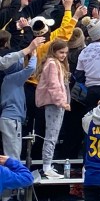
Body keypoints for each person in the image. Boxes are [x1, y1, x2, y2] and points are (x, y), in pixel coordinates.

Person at [35, 39, 72, 178]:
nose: (63, 55)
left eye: (65, 53)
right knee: (51, 135)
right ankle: (46, 166)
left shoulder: (55, 63)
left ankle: (48, 165)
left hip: (56, 103)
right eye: (61, 52)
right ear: (54, 51)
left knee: (53, 135)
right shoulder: (52, 64)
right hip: (54, 103)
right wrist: (62, 102)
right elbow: (53, 85)